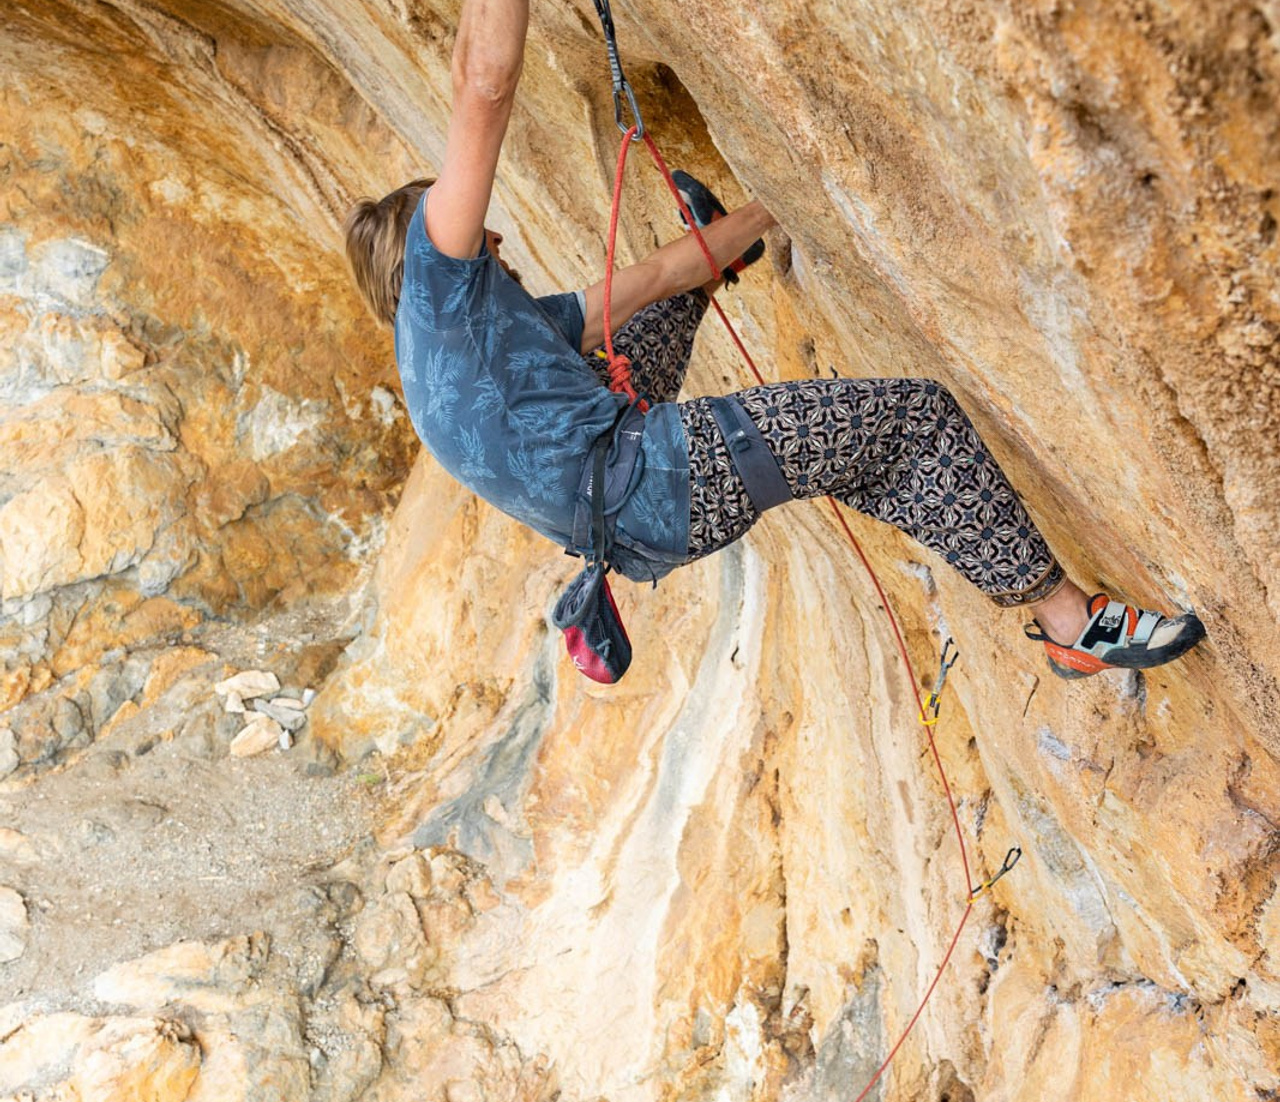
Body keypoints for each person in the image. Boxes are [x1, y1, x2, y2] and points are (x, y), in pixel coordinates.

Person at [343, 0, 1205, 682]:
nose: (494, 238)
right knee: (915, 421)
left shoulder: (466, 351)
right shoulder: (442, 281)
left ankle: (739, 260)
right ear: (426, 241)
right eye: (473, 230)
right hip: (667, 478)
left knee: (655, 327)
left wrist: (772, 206)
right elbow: (483, 83)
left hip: (631, 524)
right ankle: (1072, 626)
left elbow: (643, 284)